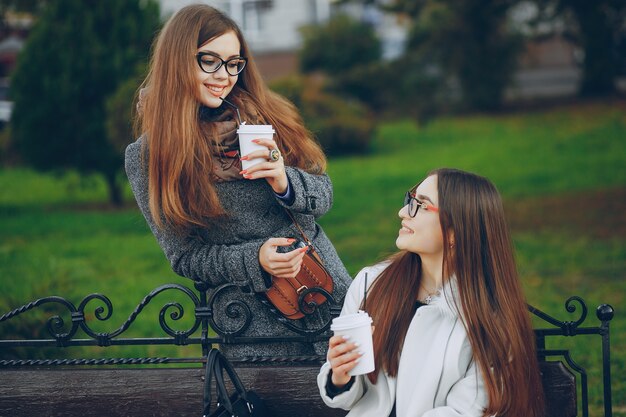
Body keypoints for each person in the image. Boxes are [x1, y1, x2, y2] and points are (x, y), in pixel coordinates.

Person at [124, 4, 351, 359]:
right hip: (251, 322)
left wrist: (283, 181)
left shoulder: (267, 115)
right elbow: (185, 257)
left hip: (326, 295)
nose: (224, 75)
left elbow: (324, 195)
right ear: (177, 61)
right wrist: (255, 259)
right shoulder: (150, 155)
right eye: (209, 61)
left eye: (233, 63)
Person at [318, 168, 545, 417]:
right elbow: (352, 396)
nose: (403, 212)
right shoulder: (370, 284)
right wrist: (340, 374)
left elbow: (468, 411)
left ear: (455, 230)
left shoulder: (490, 318)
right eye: (410, 201)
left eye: (421, 205)